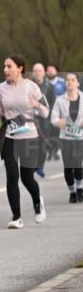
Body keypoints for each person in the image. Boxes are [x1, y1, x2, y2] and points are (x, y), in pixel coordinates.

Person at [0, 54, 49, 228]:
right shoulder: (1, 88)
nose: (5, 69)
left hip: (29, 137)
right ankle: (16, 217)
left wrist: (37, 105)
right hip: (10, 136)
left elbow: (46, 112)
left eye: (9, 66)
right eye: (5, 66)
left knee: (27, 178)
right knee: (12, 175)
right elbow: (0, 111)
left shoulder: (32, 87)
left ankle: (37, 202)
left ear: (20, 68)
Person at [50, 72, 83, 203]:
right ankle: (72, 191)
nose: (69, 82)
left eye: (72, 80)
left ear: (78, 83)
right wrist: (59, 122)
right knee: (68, 167)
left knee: (78, 164)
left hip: (80, 137)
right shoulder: (60, 100)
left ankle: (80, 188)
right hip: (65, 138)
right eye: (67, 80)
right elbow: (53, 118)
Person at [31, 62, 56, 175]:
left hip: (45, 119)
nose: (37, 73)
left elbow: (53, 103)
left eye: (39, 70)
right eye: (35, 71)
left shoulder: (50, 87)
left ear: (44, 73)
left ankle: (40, 166)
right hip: (31, 118)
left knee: (43, 143)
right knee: (32, 142)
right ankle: (32, 165)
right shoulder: (28, 86)